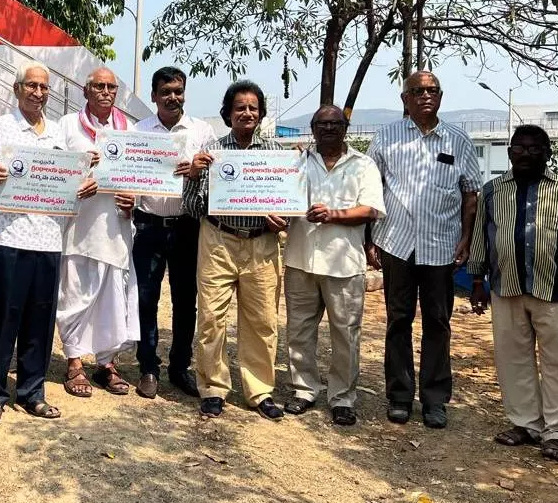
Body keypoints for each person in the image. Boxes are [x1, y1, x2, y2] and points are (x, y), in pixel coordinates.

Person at [0, 61, 96, 422]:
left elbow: (79, 178)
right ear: (17, 89)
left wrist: (85, 187)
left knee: (39, 319)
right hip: (2, 236)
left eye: (44, 87)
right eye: (32, 86)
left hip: (46, 238)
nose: (38, 93)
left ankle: (31, 391)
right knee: (0, 315)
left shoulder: (59, 134)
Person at [469, 125, 558, 463]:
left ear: (547, 152)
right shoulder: (492, 191)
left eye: (534, 148)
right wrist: (477, 280)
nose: (525, 153)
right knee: (513, 358)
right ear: (509, 152)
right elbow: (482, 236)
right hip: (505, 285)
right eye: (519, 147)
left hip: (554, 287)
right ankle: (526, 424)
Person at [367, 71, 481, 428]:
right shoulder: (386, 137)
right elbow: (370, 190)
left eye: (432, 90)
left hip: (441, 247)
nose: (425, 96)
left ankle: (434, 399)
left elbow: (471, 194)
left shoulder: (458, 139)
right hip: (396, 244)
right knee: (398, 321)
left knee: (438, 322)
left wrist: (466, 238)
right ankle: (399, 395)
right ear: (405, 99)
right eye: (417, 91)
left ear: (441, 96)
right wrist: (369, 238)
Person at [183, 81, 288, 420]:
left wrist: (282, 218)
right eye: (239, 108)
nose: (246, 113)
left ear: (261, 114)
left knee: (262, 321)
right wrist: (196, 176)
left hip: (262, 243)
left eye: (253, 108)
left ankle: (259, 391)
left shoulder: (277, 155)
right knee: (211, 318)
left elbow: (289, 205)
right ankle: (213, 388)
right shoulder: (213, 152)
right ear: (227, 114)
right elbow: (192, 207)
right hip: (218, 239)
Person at [283, 106, 384, 425]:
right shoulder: (296, 162)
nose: (328, 128)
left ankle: (342, 397)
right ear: (312, 128)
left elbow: (370, 210)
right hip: (300, 259)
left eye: (335, 123)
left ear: (346, 127)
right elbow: (279, 198)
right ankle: (304, 390)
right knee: (299, 331)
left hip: (344, 263)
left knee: (346, 334)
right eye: (321, 124)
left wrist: (334, 215)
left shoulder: (363, 165)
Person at [131, 66, 216, 398]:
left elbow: (216, 180)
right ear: (154, 95)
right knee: (145, 299)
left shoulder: (202, 132)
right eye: (165, 91)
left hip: (187, 228)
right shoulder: (138, 131)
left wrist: (197, 173)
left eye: (178, 91)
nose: (173, 97)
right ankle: (148, 367)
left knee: (185, 301)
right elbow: (126, 174)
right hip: (148, 226)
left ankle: (181, 366)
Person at [56, 67, 140, 399]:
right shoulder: (66, 126)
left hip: (116, 226)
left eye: (111, 87)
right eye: (98, 86)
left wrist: (133, 200)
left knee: (111, 297)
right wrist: (79, 168)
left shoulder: (128, 130)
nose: (105, 91)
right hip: (78, 226)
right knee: (75, 295)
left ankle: (106, 363)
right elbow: (53, 172)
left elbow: (140, 177)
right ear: (85, 91)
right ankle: (75, 362)